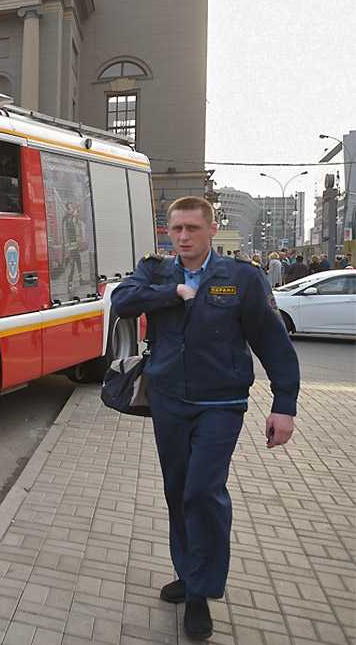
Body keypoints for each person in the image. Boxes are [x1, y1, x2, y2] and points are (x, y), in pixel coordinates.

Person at [111, 196, 298, 641]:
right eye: (176, 229)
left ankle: (201, 593)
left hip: (221, 405)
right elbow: (122, 302)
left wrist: (284, 404)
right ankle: (190, 573)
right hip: (170, 402)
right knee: (177, 490)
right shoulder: (157, 271)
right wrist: (171, 294)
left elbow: (273, 343)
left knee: (202, 491)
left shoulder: (241, 278)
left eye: (193, 228)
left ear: (212, 230)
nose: (183, 237)